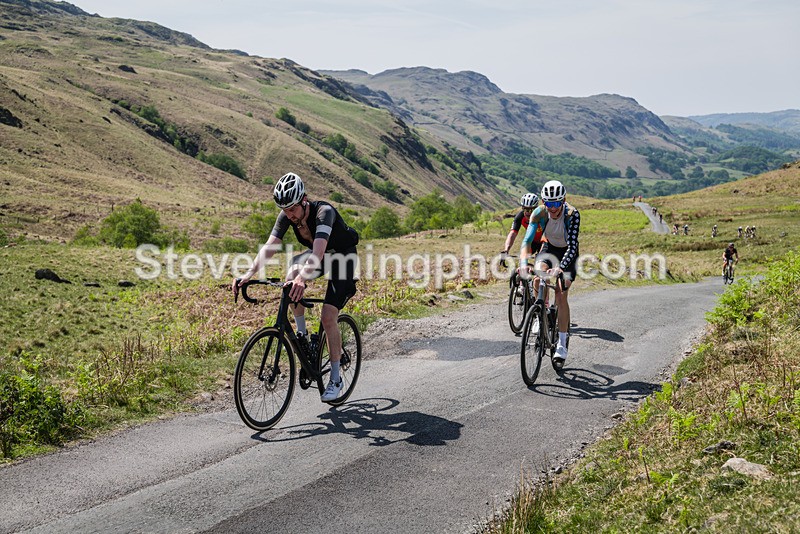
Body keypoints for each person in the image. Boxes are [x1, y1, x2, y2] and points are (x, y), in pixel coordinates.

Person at [232, 172, 359, 402]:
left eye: (292, 209)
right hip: (322, 256)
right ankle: (302, 336)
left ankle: (335, 379)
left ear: (304, 200)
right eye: (284, 209)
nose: (289, 214)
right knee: (291, 273)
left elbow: (318, 253)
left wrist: (303, 278)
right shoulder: (286, 216)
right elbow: (270, 247)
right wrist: (249, 273)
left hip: (343, 258)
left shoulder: (324, 212)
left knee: (328, 316)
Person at [519, 180, 580, 364]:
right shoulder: (539, 213)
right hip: (549, 248)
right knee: (538, 279)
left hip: (568, 253)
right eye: (549, 203)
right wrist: (523, 263)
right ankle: (541, 313)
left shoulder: (572, 214)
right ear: (543, 202)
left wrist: (561, 267)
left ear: (563, 201)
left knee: (561, 294)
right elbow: (527, 241)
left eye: (556, 203)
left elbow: (572, 245)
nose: (552, 208)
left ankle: (561, 343)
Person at [501, 193, 540, 257]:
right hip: (533, 241)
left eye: (531, 209)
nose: (528, 212)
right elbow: (512, 234)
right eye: (525, 209)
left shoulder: (542, 216)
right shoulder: (520, 217)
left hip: (546, 242)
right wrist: (506, 250)